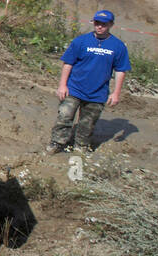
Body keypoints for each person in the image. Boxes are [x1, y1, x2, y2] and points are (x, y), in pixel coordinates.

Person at [46, 9, 130, 154]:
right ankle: (57, 143)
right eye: (97, 23)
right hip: (74, 88)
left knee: (88, 123)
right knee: (64, 117)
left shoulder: (118, 46)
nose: (100, 26)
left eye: (104, 24)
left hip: (98, 93)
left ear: (111, 24)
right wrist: (62, 85)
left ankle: (81, 146)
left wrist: (116, 93)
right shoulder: (81, 41)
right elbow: (68, 63)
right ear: (93, 22)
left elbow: (121, 70)